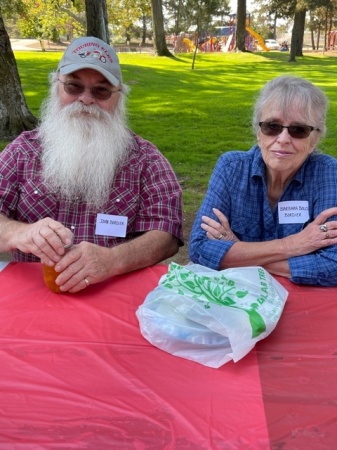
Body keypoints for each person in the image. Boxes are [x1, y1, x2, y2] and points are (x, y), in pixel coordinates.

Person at [0, 36, 183, 293]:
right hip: (35, 295)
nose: (86, 99)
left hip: (115, 296)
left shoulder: (147, 160)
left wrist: (113, 260)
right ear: (57, 87)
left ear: (119, 97)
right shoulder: (22, 151)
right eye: (74, 87)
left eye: (101, 91)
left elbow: (167, 235)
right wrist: (20, 233)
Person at [189, 75, 337, 286]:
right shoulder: (231, 168)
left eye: (298, 130)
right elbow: (200, 248)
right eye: (272, 126)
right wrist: (293, 245)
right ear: (259, 133)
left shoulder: (328, 174)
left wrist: (238, 250)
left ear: (314, 140)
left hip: (302, 301)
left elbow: (333, 263)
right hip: (234, 296)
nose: (283, 139)